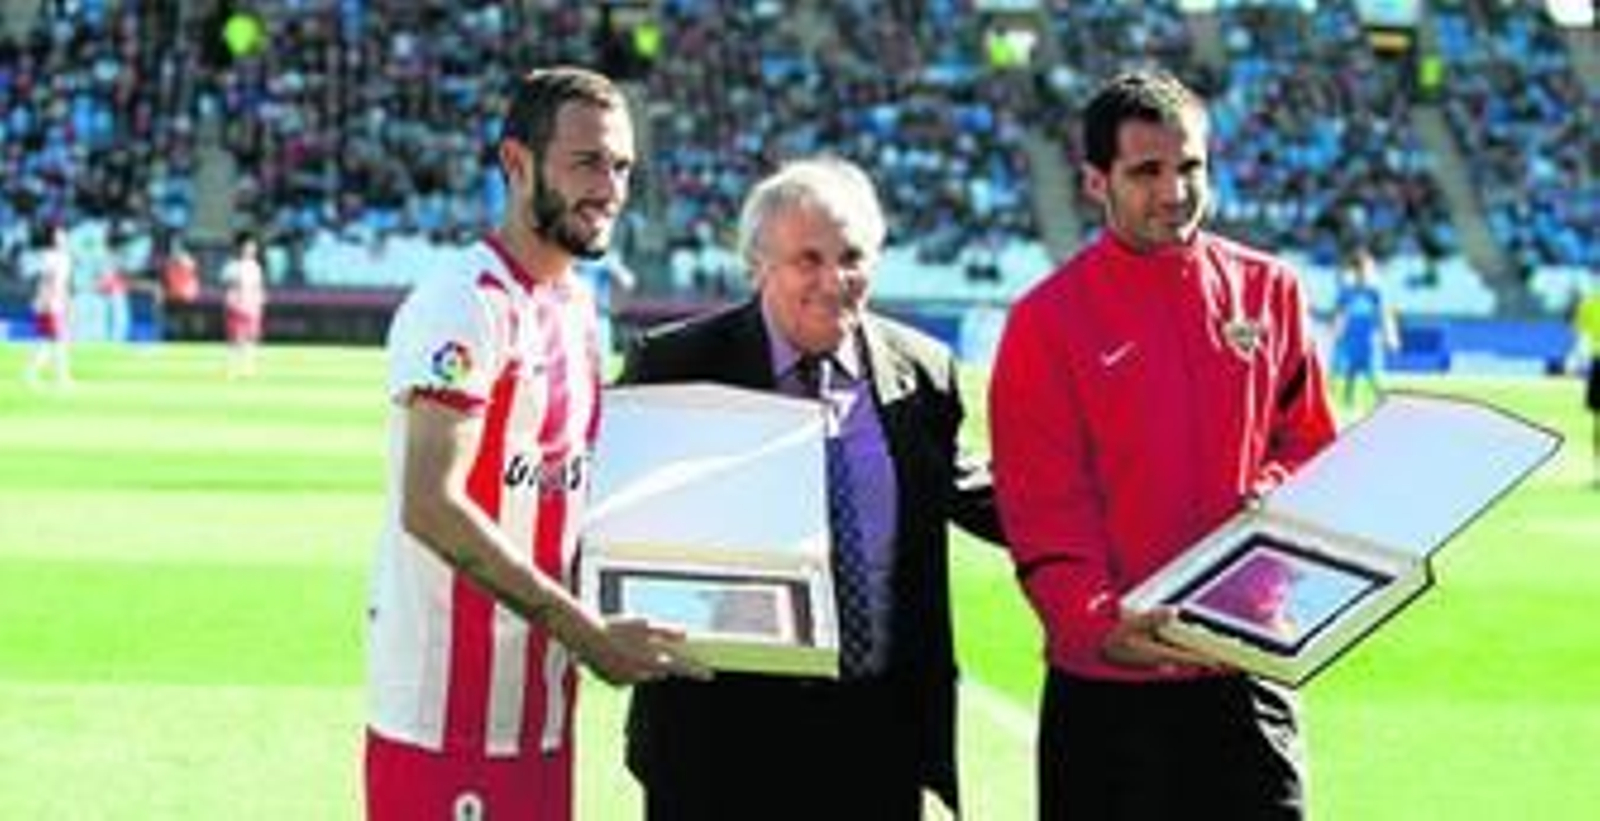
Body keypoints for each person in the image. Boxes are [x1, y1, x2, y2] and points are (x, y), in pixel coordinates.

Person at [988, 68, 1337, 820]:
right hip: (1112, 695)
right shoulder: (1045, 323)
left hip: (1246, 672)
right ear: (1094, 181)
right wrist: (1100, 625)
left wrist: (1277, 486)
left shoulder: (1271, 290)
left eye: (1190, 167)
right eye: (1147, 171)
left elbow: (1309, 442)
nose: (1175, 190)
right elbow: (1043, 505)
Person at [365, 66, 704, 821]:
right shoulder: (465, 302)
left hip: (540, 708)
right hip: (448, 721)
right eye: (587, 163)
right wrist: (587, 632)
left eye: (621, 166)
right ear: (516, 164)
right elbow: (430, 502)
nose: (610, 187)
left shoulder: (577, 305)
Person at [620, 156, 1005, 820]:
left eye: (852, 255)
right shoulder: (676, 365)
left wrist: (1129, 521)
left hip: (874, 737)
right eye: (808, 259)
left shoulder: (922, 371)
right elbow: (612, 522)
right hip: (718, 738)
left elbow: (975, 489)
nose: (835, 280)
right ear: (757, 264)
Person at [1329, 246, 1399, 410]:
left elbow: (1383, 313)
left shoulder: (1374, 290)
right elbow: (1339, 310)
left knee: (1368, 369)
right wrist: (1337, 328)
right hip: (1351, 333)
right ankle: (1342, 400)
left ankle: (1381, 398)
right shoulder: (1348, 289)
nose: (1361, 272)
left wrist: (1389, 335)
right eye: (1358, 268)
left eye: (1365, 268)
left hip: (1366, 333)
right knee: (1346, 368)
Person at [24, 224, 74, 388]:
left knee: (50, 342)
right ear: (54, 239)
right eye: (60, 235)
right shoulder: (52, 257)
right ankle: (60, 377)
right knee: (56, 342)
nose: (63, 238)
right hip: (50, 305)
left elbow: (63, 285)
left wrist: (66, 303)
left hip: (56, 304)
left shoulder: (64, 257)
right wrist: (47, 303)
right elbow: (47, 281)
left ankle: (33, 374)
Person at [221, 231, 267, 378]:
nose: (252, 249)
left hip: (252, 307)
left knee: (251, 339)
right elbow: (228, 286)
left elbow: (258, 287)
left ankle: (248, 368)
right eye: (248, 246)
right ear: (240, 247)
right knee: (235, 340)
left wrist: (260, 300)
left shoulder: (255, 267)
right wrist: (233, 300)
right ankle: (232, 369)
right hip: (236, 306)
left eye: (253, 247)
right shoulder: (232, 266)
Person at [1572, 276, 1600, 487]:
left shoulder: (1589, 303)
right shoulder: (1589, 304)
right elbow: (1583, 338)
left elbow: (1583, 338)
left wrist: (1576, 360)